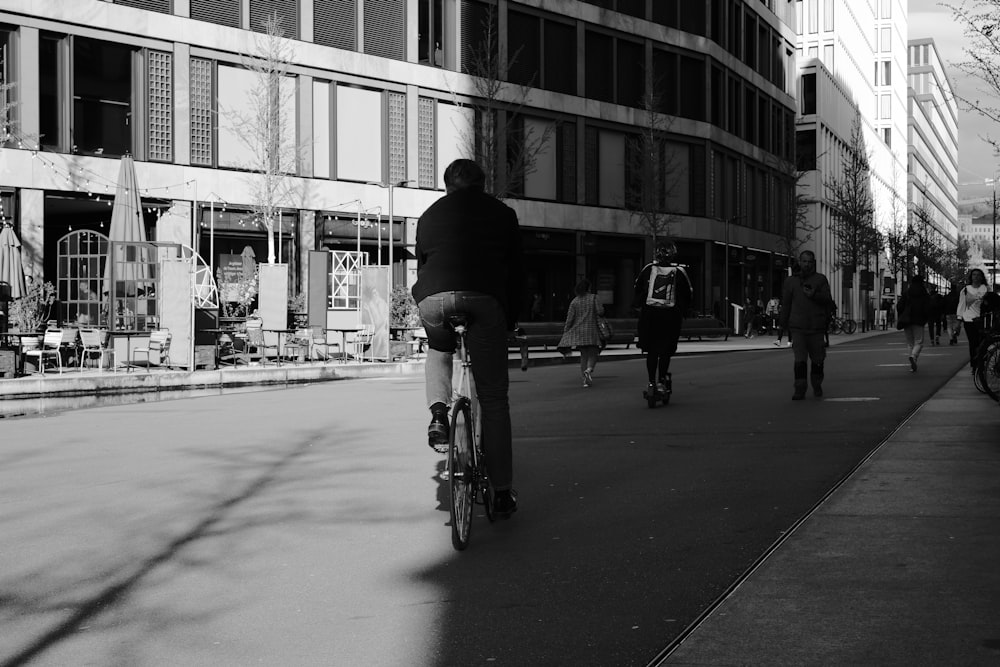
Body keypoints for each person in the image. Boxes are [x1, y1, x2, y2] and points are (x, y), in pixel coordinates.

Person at [412, 158, 523, 517]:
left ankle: (439, 413)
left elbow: (423, 264)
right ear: (483, 183)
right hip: (485, 298)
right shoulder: (503, 214)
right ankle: (502, 492)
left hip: (434, 297)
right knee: (493, 400)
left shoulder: (428, 215)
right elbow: (517, 272)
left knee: (438, 348)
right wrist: (511, 321)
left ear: (446, 186)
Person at [633, 241, 692, 399]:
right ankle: (661, 382)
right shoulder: (679, 272)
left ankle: (651, 382)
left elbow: (637, 290)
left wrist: (639, 307)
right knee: (665, 351)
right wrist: (684, 311)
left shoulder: (647, 269)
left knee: (651, 351)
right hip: (670, 316)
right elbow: (687, 295)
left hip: (649, 316)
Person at [779, 250, 833, 400]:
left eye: (810, 262)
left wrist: (814, 294)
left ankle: (817, 384)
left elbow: (828, 299)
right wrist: (782, 324)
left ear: (813, 263)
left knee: (818, 360)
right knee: (800, 360)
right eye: (804, 261)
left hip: (816, 326)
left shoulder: (821, 280)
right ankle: (800, 388)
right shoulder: (791, 282)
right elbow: (786, 304)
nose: (807, 264)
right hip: (798, 327)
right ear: (799, 262)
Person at [557, 278, 603, 387]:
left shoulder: (575, 301)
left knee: (583, 355)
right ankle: (589, 369)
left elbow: (570, 319)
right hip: (592, 330)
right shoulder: (594, 298)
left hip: (579, 332)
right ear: (588, 288)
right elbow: (600, 311)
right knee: (593, 353)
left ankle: (584, 380)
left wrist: (566, 332)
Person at [956, 268, 990, 368]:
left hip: (983, 320)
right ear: (971, 277)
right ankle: (975, 365)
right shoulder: (965, 290)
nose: (976, 277)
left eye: (978, 275)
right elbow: (961, 305)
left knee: (983, 343)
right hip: (969, 320)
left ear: (981, 277)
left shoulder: (986, 289)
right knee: (973, 343)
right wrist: (959, 320)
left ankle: (982, 361)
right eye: (974, 275)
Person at [897, 275, 930, 372]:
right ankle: (914, 356)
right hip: (919, 320)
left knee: (910, 343)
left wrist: (902, 314)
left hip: (907, 320)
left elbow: (899, 306)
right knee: (919, 342)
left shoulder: (907, 293)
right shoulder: (924, 294)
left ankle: (912, 363)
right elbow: (928, 307)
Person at [773, 263, 800, 347]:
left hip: (786, 305)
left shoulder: (788, 280)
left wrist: (781, 304)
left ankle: (779, 340)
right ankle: (789, 341)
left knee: (782, 324)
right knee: (791, 326)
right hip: (795, 306)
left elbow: (784, 293)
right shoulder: (800, 280)